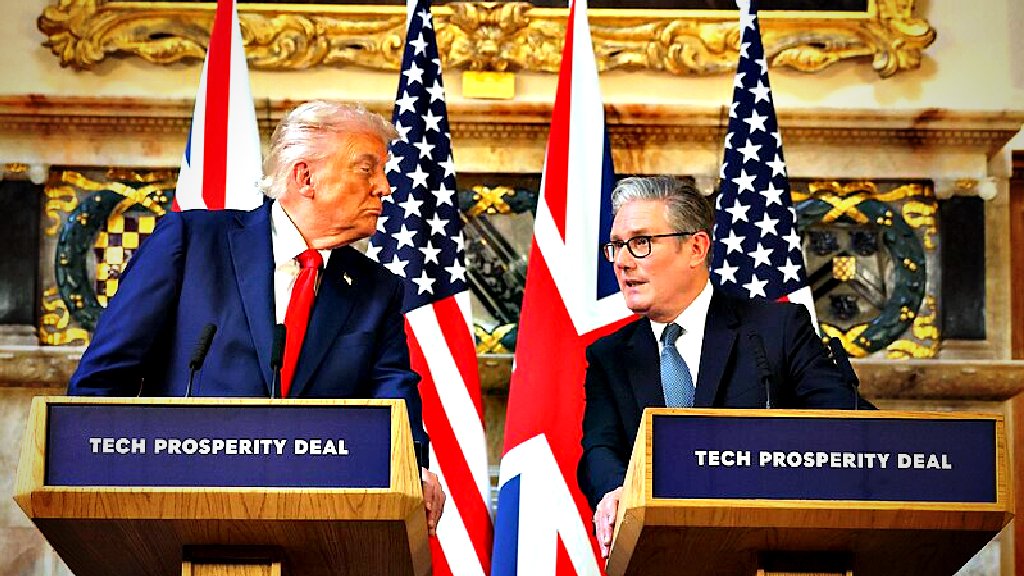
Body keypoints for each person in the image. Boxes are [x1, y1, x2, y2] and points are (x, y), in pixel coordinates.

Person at [68, 100, 445, 533]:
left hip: (317, 525)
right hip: (178, 513)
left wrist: (412, 469)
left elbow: (393, 395)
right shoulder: (192, 242)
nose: (385, 187)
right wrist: (95, 491)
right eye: (367, 169)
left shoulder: (376, 288)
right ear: (305, 177)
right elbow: (104, 379)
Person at [577, 176, 872, 557]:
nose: (622, 261)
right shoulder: (611, 355)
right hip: (662, 553)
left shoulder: (775, 330)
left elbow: (849, 427)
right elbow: (600, 447)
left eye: (640, 242)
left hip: (772, 548)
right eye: (616, 246)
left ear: (696, 247)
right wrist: (616, 490)